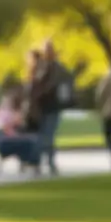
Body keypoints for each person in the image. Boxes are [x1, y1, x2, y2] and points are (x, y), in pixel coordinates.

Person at [32, 39, 73, 175]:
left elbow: (68, 81)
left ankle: (48, 162)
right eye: (46, 50)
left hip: (52, 106)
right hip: (39, 106)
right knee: (41, 135)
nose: (49, 53)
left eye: (50, 50)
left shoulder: (58, 68)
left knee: (48, 135)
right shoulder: (39, 66)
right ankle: (38, 161)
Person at [0, 90, 41, 173]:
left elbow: (21, 124)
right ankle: (30, 162)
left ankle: (32, 163)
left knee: (34, 140)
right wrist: (12, 124)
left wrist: (19, 117)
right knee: (29, 140)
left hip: (16, 136)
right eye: (6, 101)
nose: (8, 103)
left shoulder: (15, 112)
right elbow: (1, 127)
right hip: (4, 138)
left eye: (10, 101)